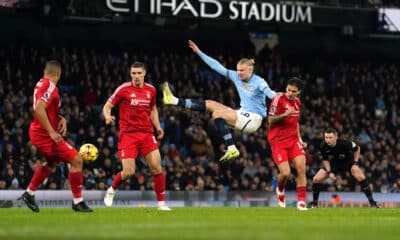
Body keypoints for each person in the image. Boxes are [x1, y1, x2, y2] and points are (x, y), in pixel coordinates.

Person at [163, 40, 276, 161]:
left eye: (242, 71)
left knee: (217, 115)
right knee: (211, 104)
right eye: (238, 70)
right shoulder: (237, 76)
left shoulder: (259, 82)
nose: (239, 73)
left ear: (250, 70)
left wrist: (283, 97)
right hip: (243, 115)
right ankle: (173, 100)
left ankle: (231, 147)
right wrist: (199, 52)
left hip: (253, 119)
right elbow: (216, 66)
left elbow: (271, 94)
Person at [19, 60, 93, 212]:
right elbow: (39, 110)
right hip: (44, 134)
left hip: (38, 132)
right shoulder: (50, 86)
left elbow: (47, 109)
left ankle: (29, 193)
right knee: (76, 160)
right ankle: (78, 202)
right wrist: (52, 132)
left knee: (52, 163)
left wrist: (60, 118)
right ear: (58, 73)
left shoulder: (41, 83)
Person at [102, 62, 171, 211]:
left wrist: (158, 127)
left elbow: (153, 109)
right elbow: (107, 106)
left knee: (157, 168)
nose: (136, 76)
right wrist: (107, 116)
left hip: (147, 133)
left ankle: (161, 204)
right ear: (130, 74)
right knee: (129, 172)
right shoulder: (123, 89)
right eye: (134, 73)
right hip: (128, 135)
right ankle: (112, 189)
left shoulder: (151, 90)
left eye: (139, 73)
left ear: (144, 73)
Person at [310, 128, 380, 208]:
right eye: (326, 137)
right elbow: (325, 160)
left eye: (330, 137)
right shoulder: (323, 145)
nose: (328, 140)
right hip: (334, 164)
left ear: (336, 137)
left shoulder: (344, 143)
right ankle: (314, 204)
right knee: (316, 179)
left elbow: (357, 148)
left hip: (348, 162)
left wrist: (355, 163)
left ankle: (372, 203)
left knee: (360, 176)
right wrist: (330, 172)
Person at [267, 77, 308, 211]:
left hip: (293, 140)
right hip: (278, 141)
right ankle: (280, 190)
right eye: (288, 90)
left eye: (293, 91)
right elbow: (270, 120)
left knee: (301, 168)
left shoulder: (297, 102)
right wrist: (285, 114)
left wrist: (300, 140)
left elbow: (295, 122)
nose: (289, 93)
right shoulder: (278, 98)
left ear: (299, 92)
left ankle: (301, 202)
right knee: (285, 173)